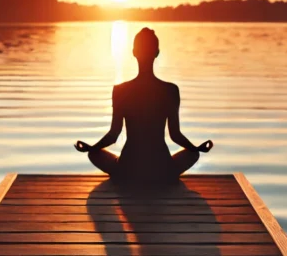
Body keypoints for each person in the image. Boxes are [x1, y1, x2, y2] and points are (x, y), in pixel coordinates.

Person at [75, 27, 212, 185]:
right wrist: (196, 148)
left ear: (134, 52)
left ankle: (128, 176)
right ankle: (161, 177)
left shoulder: (120, 91)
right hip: (162, 167)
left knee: (94, 154)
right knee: (193, 155)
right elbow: (175, 135)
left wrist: (92, 147)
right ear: (157, 52)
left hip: (128, 167)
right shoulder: (171, 90)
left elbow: (114, 134)